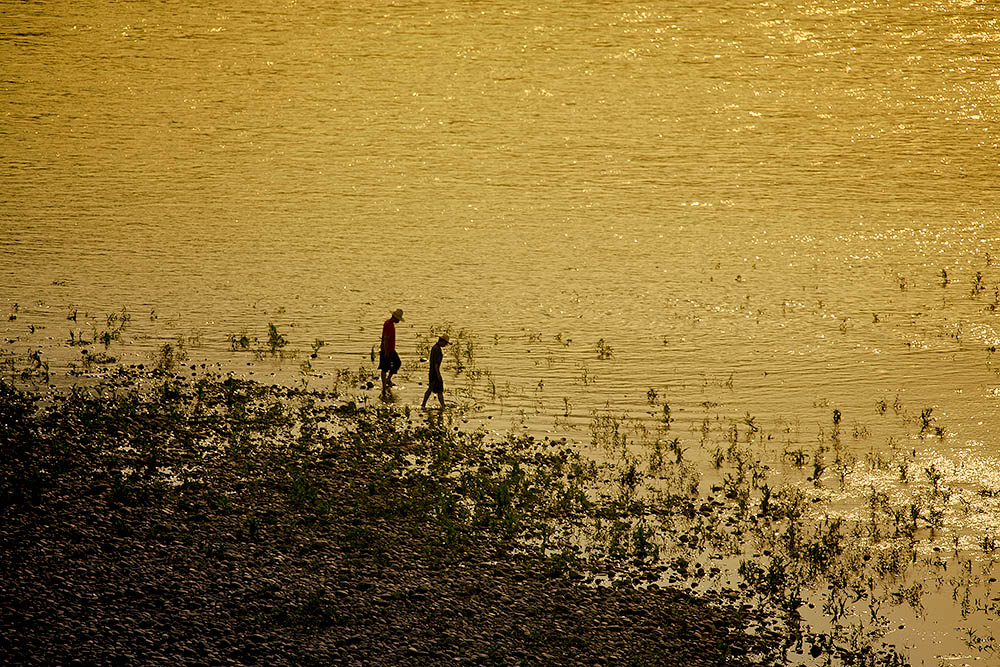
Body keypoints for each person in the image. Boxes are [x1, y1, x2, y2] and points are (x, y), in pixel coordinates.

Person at [421, 334, 449, 409]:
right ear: (442, 341)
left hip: (432, 372)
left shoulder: (434, 347)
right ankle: (442, 406)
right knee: (438, 390)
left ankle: (424, 404)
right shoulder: (437, 350)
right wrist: (438, 375)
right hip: (435, 372)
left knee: (431, 389)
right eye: (445, 343)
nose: (445, 345)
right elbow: (436, 364)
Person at [379, 308, 404, 392]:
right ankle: (384, 385)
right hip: (387, 349)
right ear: (395, 317)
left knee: (397, 363)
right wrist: (386, 351)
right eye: (398, 319)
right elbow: (386, 338)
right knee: (384, 368)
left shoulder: (390, 324)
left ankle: (388, 379)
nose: (399, 321)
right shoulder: (388, 324)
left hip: (390, 349)